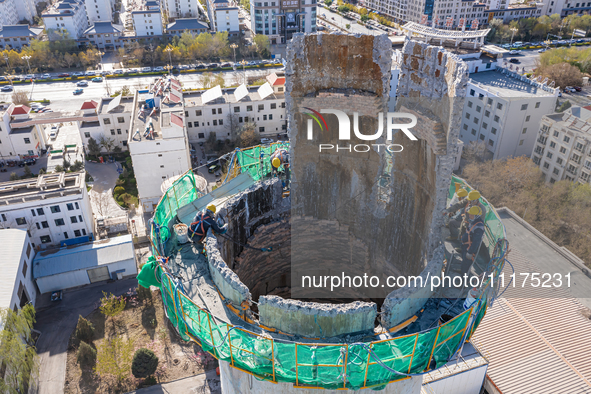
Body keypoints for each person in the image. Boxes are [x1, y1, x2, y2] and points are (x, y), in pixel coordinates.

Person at [460, 205, 485, 274]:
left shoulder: (479, 227)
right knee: (464, 264)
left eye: (471, 214)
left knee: (466, 266)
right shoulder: (473, 221)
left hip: (469, 249)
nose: (469, 215)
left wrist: (470, 252)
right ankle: (463, 274)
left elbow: (476, 242)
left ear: (476, 216)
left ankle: (464, 281)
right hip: (465, 246)